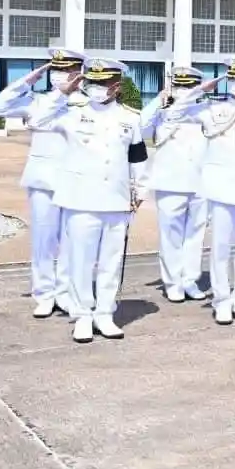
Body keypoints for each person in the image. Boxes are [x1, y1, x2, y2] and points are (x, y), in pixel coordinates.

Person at [30, 58, 149, 343]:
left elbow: (138, 159)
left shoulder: (130, 118)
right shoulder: (71, 112)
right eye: (92, 82)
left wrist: (140, 191)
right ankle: (82, 316)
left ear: (116, 87)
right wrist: (61, 93)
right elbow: (37, 121)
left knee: (111, 263)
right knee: (81, 262)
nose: (95, 87)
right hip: (81, 200)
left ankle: (104, 314)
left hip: (117, 201)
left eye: (102, 83)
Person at [167, 57, 235, 325]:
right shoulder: (210, 108)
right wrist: (198, 90)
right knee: (220, 248)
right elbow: (173, 114)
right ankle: (221, 300)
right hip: (220, 188)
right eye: (233, 78)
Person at [0, 47, 85, 318]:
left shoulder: (87, 103)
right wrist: (32, 77)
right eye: (54, 69)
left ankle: (65, 292)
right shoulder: (38, 101)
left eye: (65, 70)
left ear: (79, 73)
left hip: (75, 179)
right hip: (43, 179)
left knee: (70, 241)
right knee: (43, 240)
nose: (60, 75)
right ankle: (44, 293)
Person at [141, 65, 213, 303]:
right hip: (170, 182)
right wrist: (157, 101)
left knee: (195, 234)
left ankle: (190, 279)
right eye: (179, 85)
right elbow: (141, 127)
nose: (183, 91)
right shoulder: (162, 111)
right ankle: (173, 282)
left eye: (188, 86)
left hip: (200, 182)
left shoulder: (207, 109)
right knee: (170, 236)